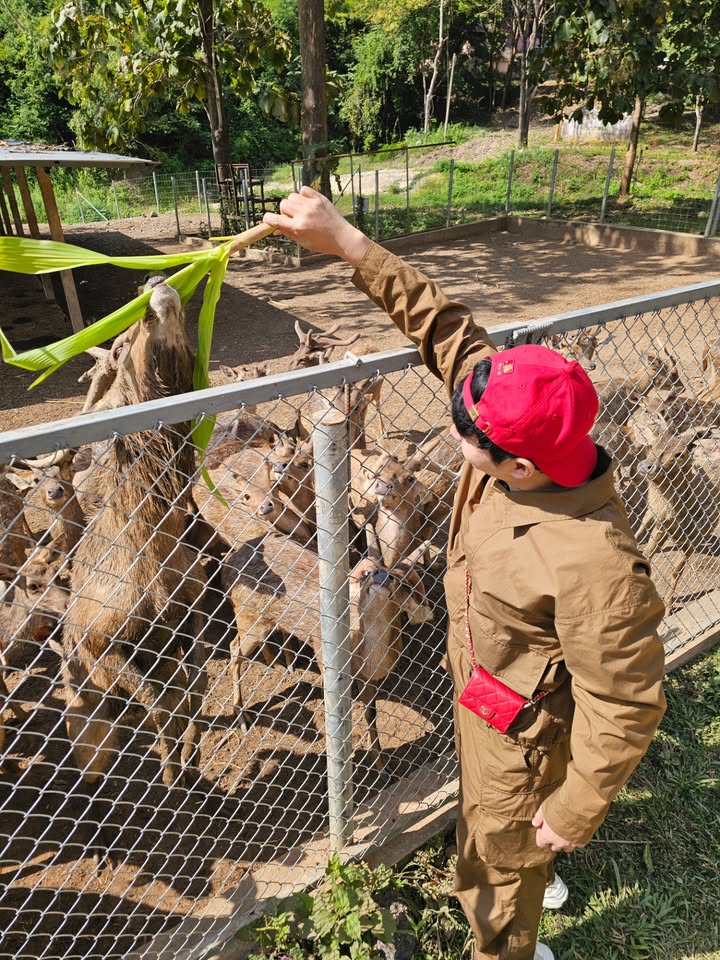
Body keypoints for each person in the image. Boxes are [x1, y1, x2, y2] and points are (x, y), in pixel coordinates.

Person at [263, 188, 666, 960]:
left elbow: (627, 700)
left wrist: (576, 807)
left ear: (516, 464)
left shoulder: (595, 565)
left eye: (465, 438)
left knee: (497, 862)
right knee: (494, 837)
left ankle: (511, 936)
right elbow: (445, 328)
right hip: (482, 685)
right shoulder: (523, 436)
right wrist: (345, 240)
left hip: (520, 735)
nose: (453, 437)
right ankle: (525, 873)